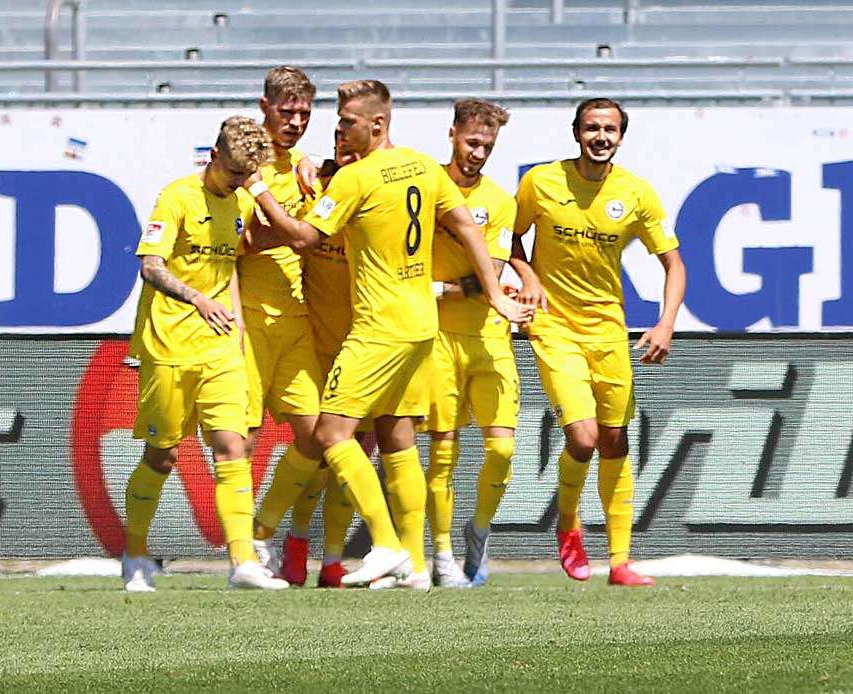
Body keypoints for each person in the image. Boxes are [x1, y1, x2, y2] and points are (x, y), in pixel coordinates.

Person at [245, 80, 532, 588]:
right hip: (422, 325)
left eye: (348, 122)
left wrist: (258, 187)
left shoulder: (355, 180)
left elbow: (302, 237)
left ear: (377, 124)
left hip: (377, 326)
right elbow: (466, 226)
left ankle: (385, 543)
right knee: (398, 441)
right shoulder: (423, 165)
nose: (339, 129)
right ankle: (419, 568)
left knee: (330, 434)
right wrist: (494, 292)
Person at [509, 97, 685, 587]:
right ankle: (567, 522)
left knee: (614, 440)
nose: (601, 136)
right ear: (576, 133)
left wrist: (665, 322)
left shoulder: (636, 194)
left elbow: (674, 263)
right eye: (592, 128)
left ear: (621, 137)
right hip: (552, 324)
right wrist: (526, 273)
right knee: (582, 437)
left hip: (608, 328)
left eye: (609, 129)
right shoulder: (540, 182)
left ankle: (621, 561)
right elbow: (509, 237)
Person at [121, 115, 288, 592]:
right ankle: (134, 555)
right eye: (234, 171)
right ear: (213, 156)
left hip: (220, 348)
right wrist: (198, 299)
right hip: (170, 345)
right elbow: (150, 268)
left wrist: (235, 324)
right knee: (163, 454)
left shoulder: (237, 203)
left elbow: (229, 268)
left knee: (233, 447)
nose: (239, 182)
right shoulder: (176, 197)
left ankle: (242, 564)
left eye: (246, 175)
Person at [234, 67, 329, 577]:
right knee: (242, 439)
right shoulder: (241, 165)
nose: (295, 122)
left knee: (316, 435)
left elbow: (300, 232)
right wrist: (298, 232)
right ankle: (242, 555)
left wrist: (293, 227)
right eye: (286, 111)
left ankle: (264, 529)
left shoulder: (304, 167)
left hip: (297, 317)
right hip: (248, 317)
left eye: (304, 114)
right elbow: (242, 241)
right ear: (263, 106)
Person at [426, 98, 521, 588]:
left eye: (487, 145)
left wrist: (435, 289)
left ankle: (477, 530)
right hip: (437, 338)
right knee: (443, 450)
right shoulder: (425, 187)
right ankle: (441, 556)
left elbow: (494, 277)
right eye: (471, 142)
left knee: (502, 450)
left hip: (488, 335)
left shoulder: (500, 201)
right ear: (452, 135)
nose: (478, 153)